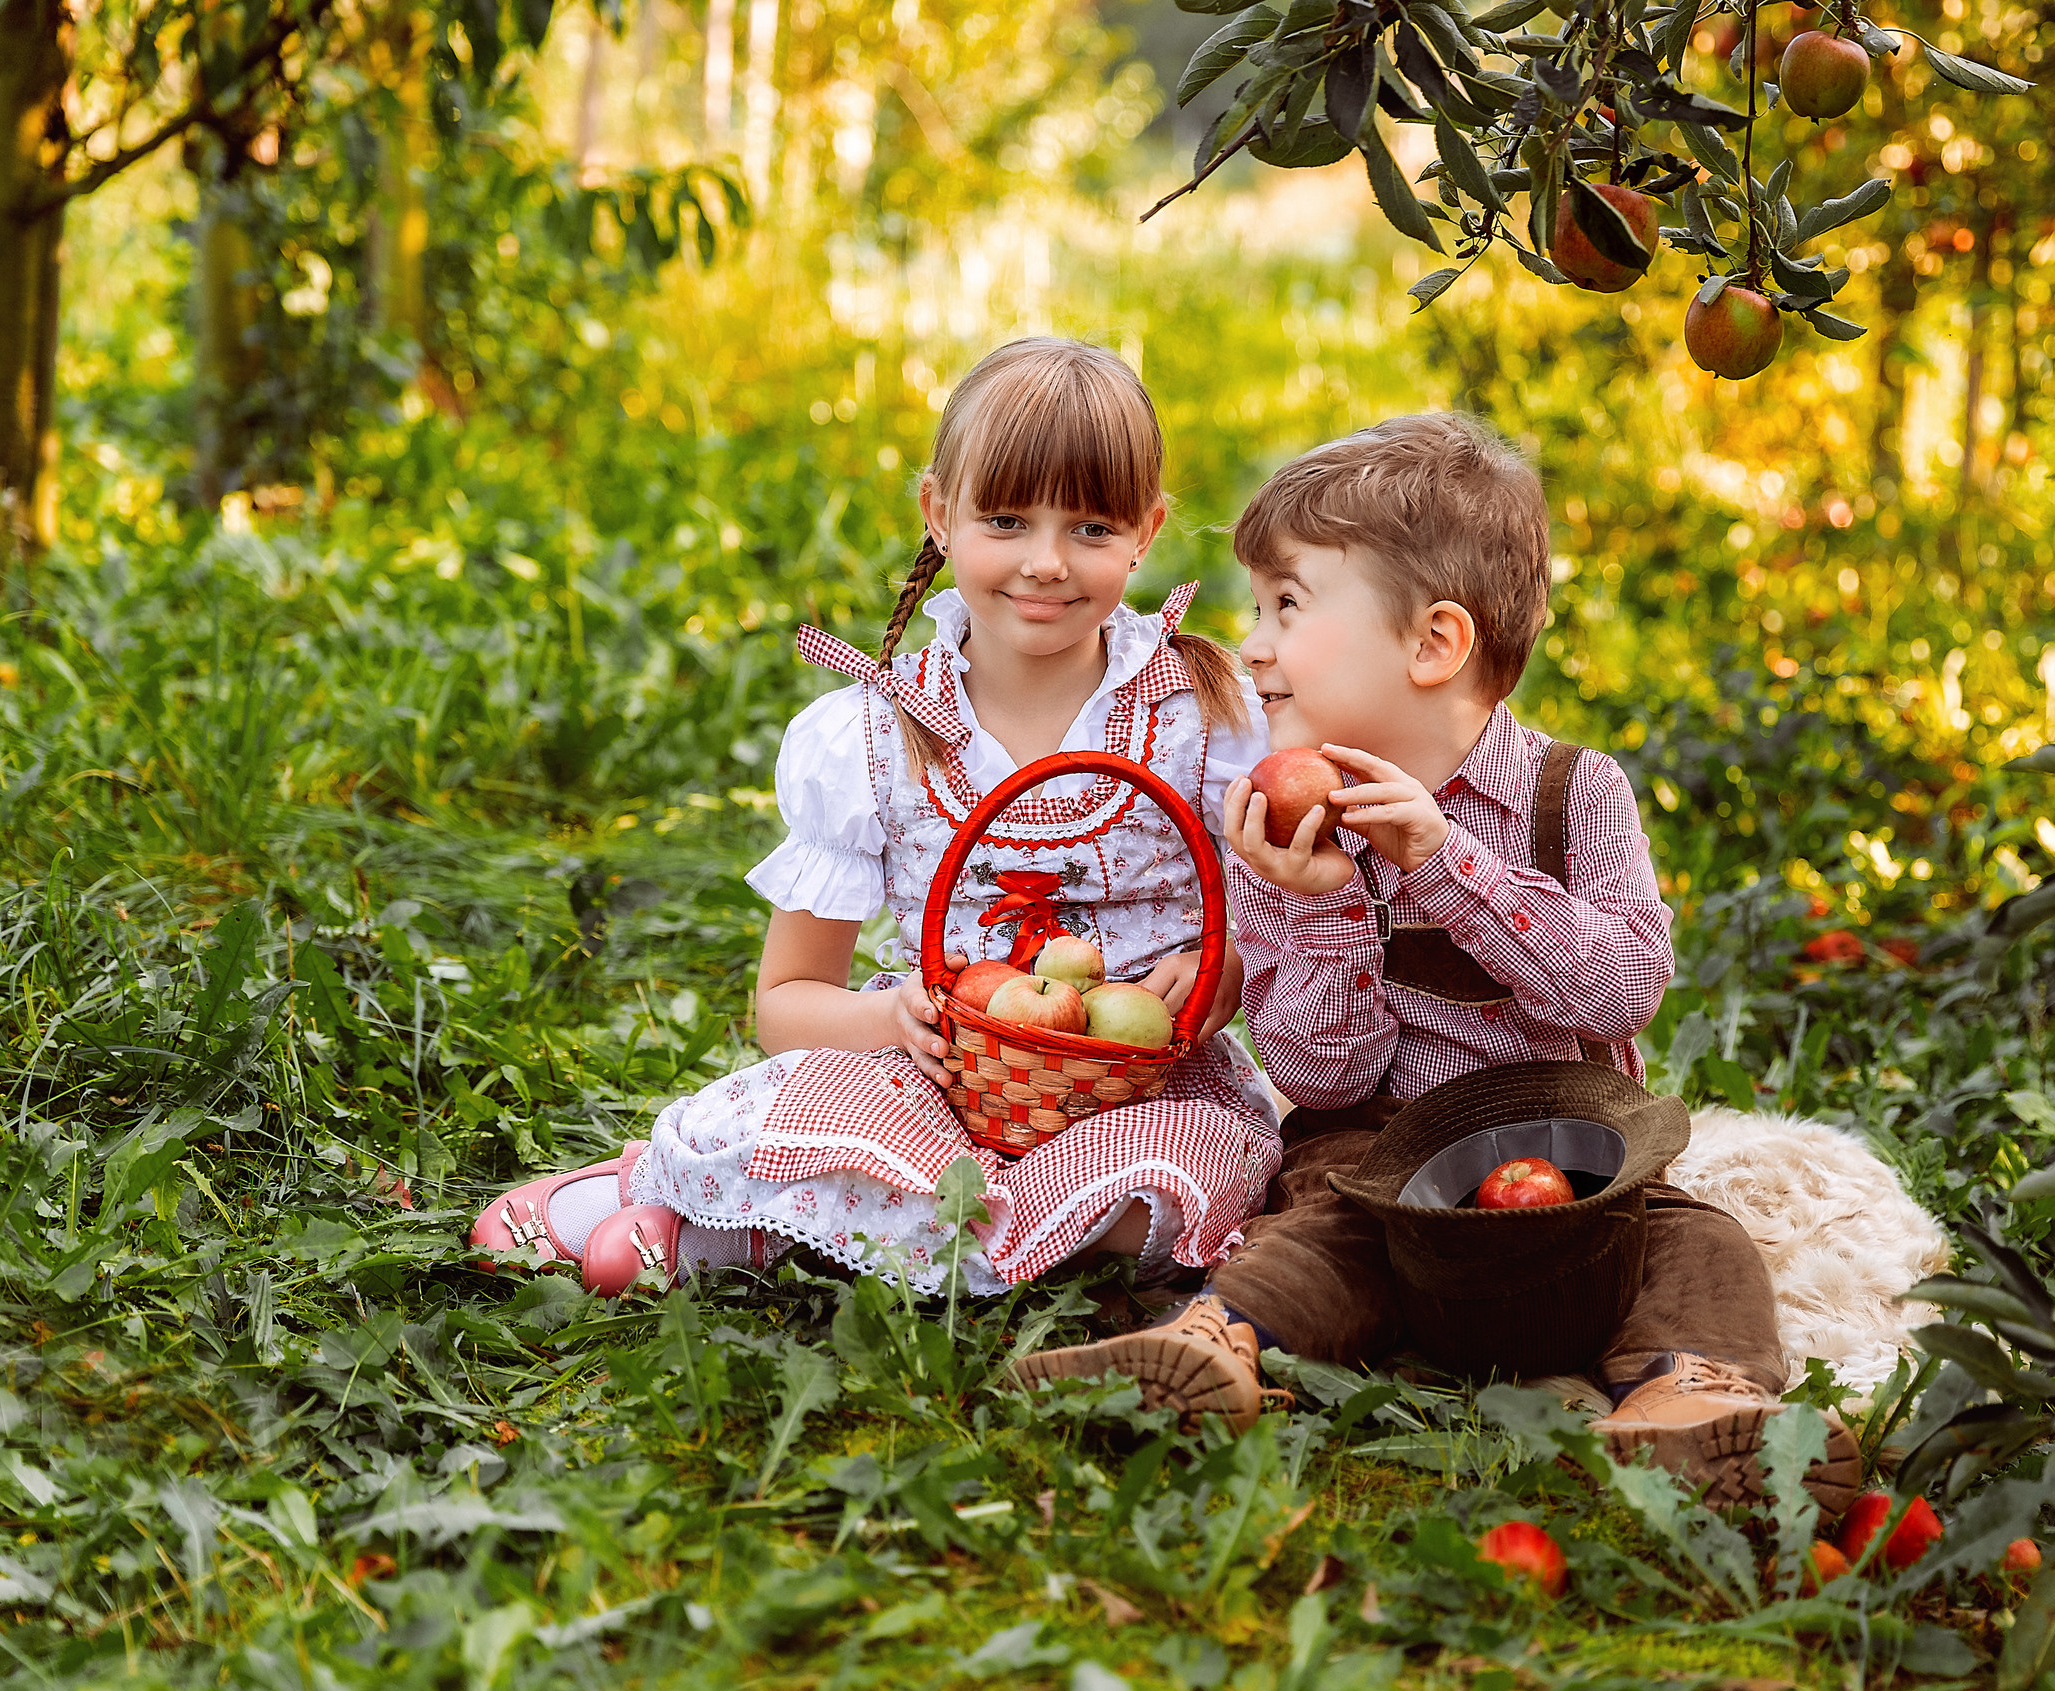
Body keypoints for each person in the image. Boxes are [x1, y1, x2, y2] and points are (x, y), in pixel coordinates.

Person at [1013, 414, 1859, 1515]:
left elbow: (1616, 988)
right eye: (1255, 609)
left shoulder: (1575, 794)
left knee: (1701, 1243)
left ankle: (1690, 1403)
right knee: (1316, 1230)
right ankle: (1212, 1346)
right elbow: (1320, 1081)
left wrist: (1444, 864)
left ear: (1433, 644)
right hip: (1379, 1164)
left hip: (1576, 1164)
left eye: (1287, 605)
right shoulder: (1285, 830)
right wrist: (1317, 907)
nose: (1252, 644)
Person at [468, 338, 1280, 1298]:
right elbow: (787, 1003)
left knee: (1162, 1192)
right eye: (1007, 519)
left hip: (1139, 1091)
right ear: (939, 513)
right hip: (930, 1087)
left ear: (1146, 531)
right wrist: (890, 1021)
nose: (1047, 562)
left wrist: (1221, 969)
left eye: (1093, 528)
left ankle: (798, 1228)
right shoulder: (872, 735)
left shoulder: (1201, 712)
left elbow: (1276, 924)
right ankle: (710, 1200)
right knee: (820, 1110)